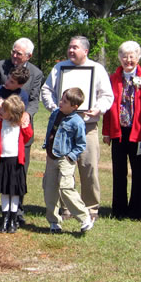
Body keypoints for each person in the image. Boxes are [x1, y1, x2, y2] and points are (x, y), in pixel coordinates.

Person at [41, 36, 113, 217]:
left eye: (75, 48)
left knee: (89, 168)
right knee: (64, 167)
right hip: (63, 128)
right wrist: (54, 108)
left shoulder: (97, 69)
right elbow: (46, 90)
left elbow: (107, 95)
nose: (71, 50)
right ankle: (66, 208)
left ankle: (91, 208)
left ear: (85, 51)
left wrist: (98, 109)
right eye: (69, 47)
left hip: (87, 126)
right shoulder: (59, 68)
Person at [0, 37, 43, 227]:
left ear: (29, 56)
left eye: (19, 53)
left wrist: (27, 115)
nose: (14, 55)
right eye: (13, 51)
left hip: (18, 136)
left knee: (17, 173)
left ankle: (16, 213)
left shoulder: (36, 73)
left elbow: (34, 100)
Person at [102, 41, 141, 220]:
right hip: (118, 131)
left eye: (132, 56)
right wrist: (107, 132)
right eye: (124, 56)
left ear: (138, 57)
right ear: (119, 58)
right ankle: (118, 210)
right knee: (118, 172)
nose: (128, 60)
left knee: (138, 173)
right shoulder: (113, 78)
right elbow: (109, 107)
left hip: (138, 132)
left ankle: (135, 212)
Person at [42, 88, 95, 234]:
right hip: (51, 158)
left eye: (65, 102)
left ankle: (84, 218)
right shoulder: (55, 114)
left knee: (66, 188)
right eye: (61, 99)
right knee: (49, 190)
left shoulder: (77, 122)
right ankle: (54, 222)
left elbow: (81, 144)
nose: (61, 103)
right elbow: (51, 132)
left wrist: (70, 156)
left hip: (65, 159)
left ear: (74, 107)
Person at [0, 95, 33, 233]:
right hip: (2, 161)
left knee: (14, 192)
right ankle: (4, 220)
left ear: (13, 113)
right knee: (4, 191)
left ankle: (13, 220)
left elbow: (28, 136)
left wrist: (25, 124)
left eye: (4, 110)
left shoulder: (20, 125)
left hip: (16, 162)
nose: (0, 112)